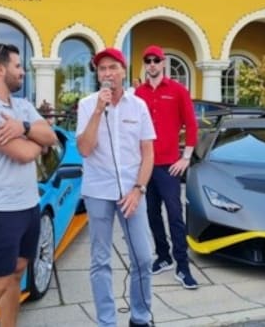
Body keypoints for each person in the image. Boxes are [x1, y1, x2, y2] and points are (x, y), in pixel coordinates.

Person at [0, 43, 58, 327]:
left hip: (28, 204)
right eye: (18, 67)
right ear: (1, 69)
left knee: (17, 272)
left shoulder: (21, 106)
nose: (23, 72)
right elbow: (23, 154)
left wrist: (26, 128)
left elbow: (50, 136)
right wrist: (37, 144)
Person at [76, 47, 156, 327]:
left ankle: (141, 317)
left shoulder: (139, 106)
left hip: (133, 192)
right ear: (98, 75)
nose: (107, 73)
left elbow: (148, 153)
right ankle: (107, 322)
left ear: (123, 70)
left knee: (143, 258)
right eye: (102, 69)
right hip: (98, 191)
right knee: (100, 260)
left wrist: (139, 190)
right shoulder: (87, 105)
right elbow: (85, 149)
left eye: (112, 67)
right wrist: (99, 110)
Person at [134, 45, 200, 290]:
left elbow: (191, 126)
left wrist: (185, 158)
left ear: (163, 63)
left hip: (169, 166)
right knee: (151, 214)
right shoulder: (138, 93)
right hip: (145, 167)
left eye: (156, 60)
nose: (152, 64)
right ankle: (163, 256)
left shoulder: (178, 91)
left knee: (175, 216)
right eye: (147, 60)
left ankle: (183, 266)